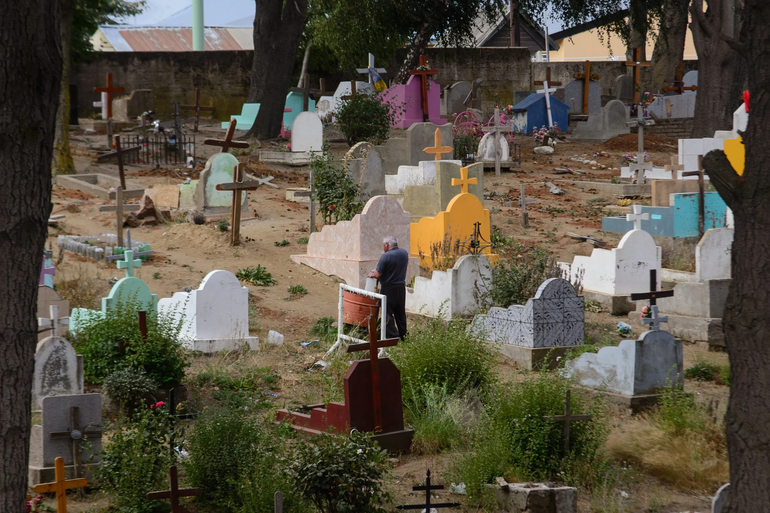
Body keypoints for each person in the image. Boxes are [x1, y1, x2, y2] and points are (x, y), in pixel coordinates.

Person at [368, 236, 409, 340]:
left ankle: (393, 336)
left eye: (384, 245)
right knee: (400, 313)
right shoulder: (404, 253)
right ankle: (404, 335)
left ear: (387, 245)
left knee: (387, 313)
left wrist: (372, 273)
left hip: (388, 288)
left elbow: (378, 274)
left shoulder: (386, 256)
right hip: (401, 287)